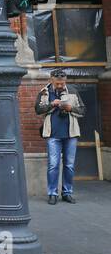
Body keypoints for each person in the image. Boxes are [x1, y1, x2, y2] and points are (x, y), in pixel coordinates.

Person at [35, 70, 85, 205]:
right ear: (51, 80)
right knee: (53, 165)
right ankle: (52, 193)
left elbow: (82, 110)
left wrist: (70, 108)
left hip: (71, 134)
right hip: (52, 135)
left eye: (63, 83)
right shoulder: (44, 92)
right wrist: (52, 104)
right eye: (57, 83)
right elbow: (38, 110)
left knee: (69, 165)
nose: (60, 85)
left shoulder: (73, 90)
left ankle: (67, 193)